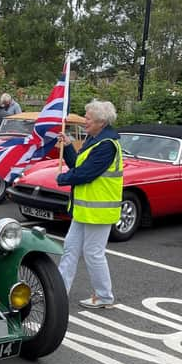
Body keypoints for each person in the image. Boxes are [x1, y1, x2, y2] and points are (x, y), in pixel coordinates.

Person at [55, 100, 123, 309]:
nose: (85, 121)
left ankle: (104, 296)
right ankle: (58, 292)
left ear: (101, 122)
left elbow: (85, 173)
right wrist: (67, 147)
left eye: (88, 118)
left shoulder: (106, 145)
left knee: (93, 253)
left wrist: (62, 179)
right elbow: (78, 164)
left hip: (98, 210)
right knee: (70, 249)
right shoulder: (95, 140)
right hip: (86, 209)